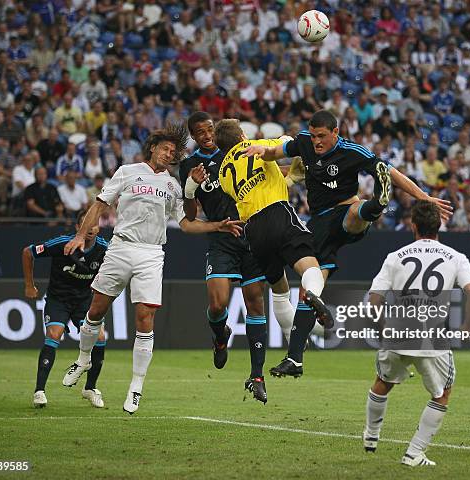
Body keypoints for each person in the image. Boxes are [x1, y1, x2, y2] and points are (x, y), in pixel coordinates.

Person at [61, 124, 243, 414]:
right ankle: (83, 359)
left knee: (145, 318)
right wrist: (82, 235)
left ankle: (136, 387)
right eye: (165, 148)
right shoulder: (126, 171)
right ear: (153, 148)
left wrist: (217, 225)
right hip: (120, 247)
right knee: (95, 311)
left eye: (173, 152)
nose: (169, 154)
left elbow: (186, 223)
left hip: (150, 253)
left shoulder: (172, 185)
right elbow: (99, 205)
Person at [243, 110, 452, 342]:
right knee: (308, 285)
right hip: (320, 222)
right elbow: (276, 153)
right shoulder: (303, 142)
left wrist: (423, 196)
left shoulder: (352, 151)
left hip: (343, 213)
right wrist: (265, 152)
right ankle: (302, 344)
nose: (316, 141)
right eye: (313, 136)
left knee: (355, 210)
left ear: (335, 132)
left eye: (321, 136)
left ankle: (376, 204)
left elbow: (389, 172)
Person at [363, 201, 470, 466]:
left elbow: (373, 302)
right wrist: (467, 328)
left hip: (397, 333)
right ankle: (414, 453)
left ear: (413, 226)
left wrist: (382, 332)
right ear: (439, 225)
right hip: (433, 339)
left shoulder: (395, 256)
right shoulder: (455, 256)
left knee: (383, 381)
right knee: (442, 393)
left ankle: (371, 437)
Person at [216, 118, 334, 379]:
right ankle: (313, 297)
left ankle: (295, 347)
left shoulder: (224, 173)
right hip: (277, 212)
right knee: (310, 267)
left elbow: (257, 182)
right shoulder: (257, 145)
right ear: (241, 136)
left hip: (253, 231)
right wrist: (294, 162)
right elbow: (287, 145)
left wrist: (289, 177)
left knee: (279, 291)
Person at [180, 112, 269, 403]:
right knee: (217, 304)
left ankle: (257, 375)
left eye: (210, 130)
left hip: (251, 234)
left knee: (255, 302)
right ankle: (221, 336)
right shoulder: (190, 165)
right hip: (220, 237)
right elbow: (191, 216)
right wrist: (191, 187)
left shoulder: (239, 152)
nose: (206, 135)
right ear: (193, 136)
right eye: (200, 132)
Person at [22, 212, 109, 408]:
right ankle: (39, 391)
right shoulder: (62, 243)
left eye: (94, 225)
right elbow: (28, 252)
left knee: (101, 337)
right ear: (78, 227)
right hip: (58, 299)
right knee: (54, 333)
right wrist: (29, 285)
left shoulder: (105, 248)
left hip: (84, 302)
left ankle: (90, 388)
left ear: (98, 228)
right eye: (86, 225)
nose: (90, 229)